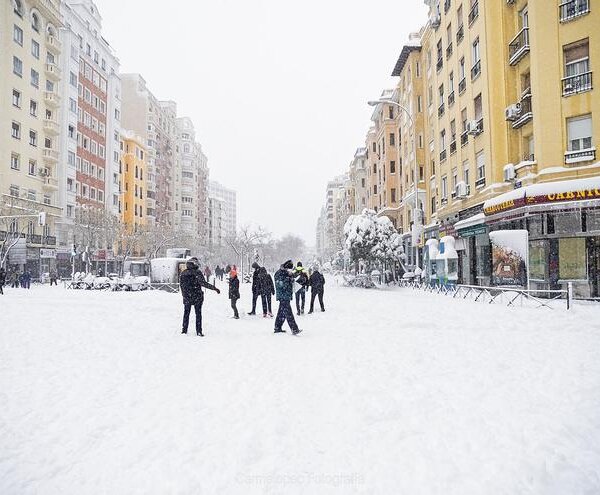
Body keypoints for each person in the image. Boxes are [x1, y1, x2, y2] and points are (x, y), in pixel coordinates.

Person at [179, 257, 220, 336]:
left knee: (186, 314)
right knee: (198, 314)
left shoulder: (183, 273)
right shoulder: (197, 272)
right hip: (197, 296)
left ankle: (184, 330)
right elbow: (203, 283)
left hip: (187, 297)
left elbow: (181, 286)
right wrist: (214, 288)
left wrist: (184, 295)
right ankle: (199, 331)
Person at [273, 260, 301, 335]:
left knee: (281, 313)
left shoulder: (286, 272)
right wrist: (288, 280)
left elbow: (291, 276)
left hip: (286, 296)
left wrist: (297, 274)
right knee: (288, 313)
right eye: (289, 269)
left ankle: (277, 327)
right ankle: (294, 329)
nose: (290, 271)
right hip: (283, 296)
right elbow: (280, 285)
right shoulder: (278, 273)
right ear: (286, 268)